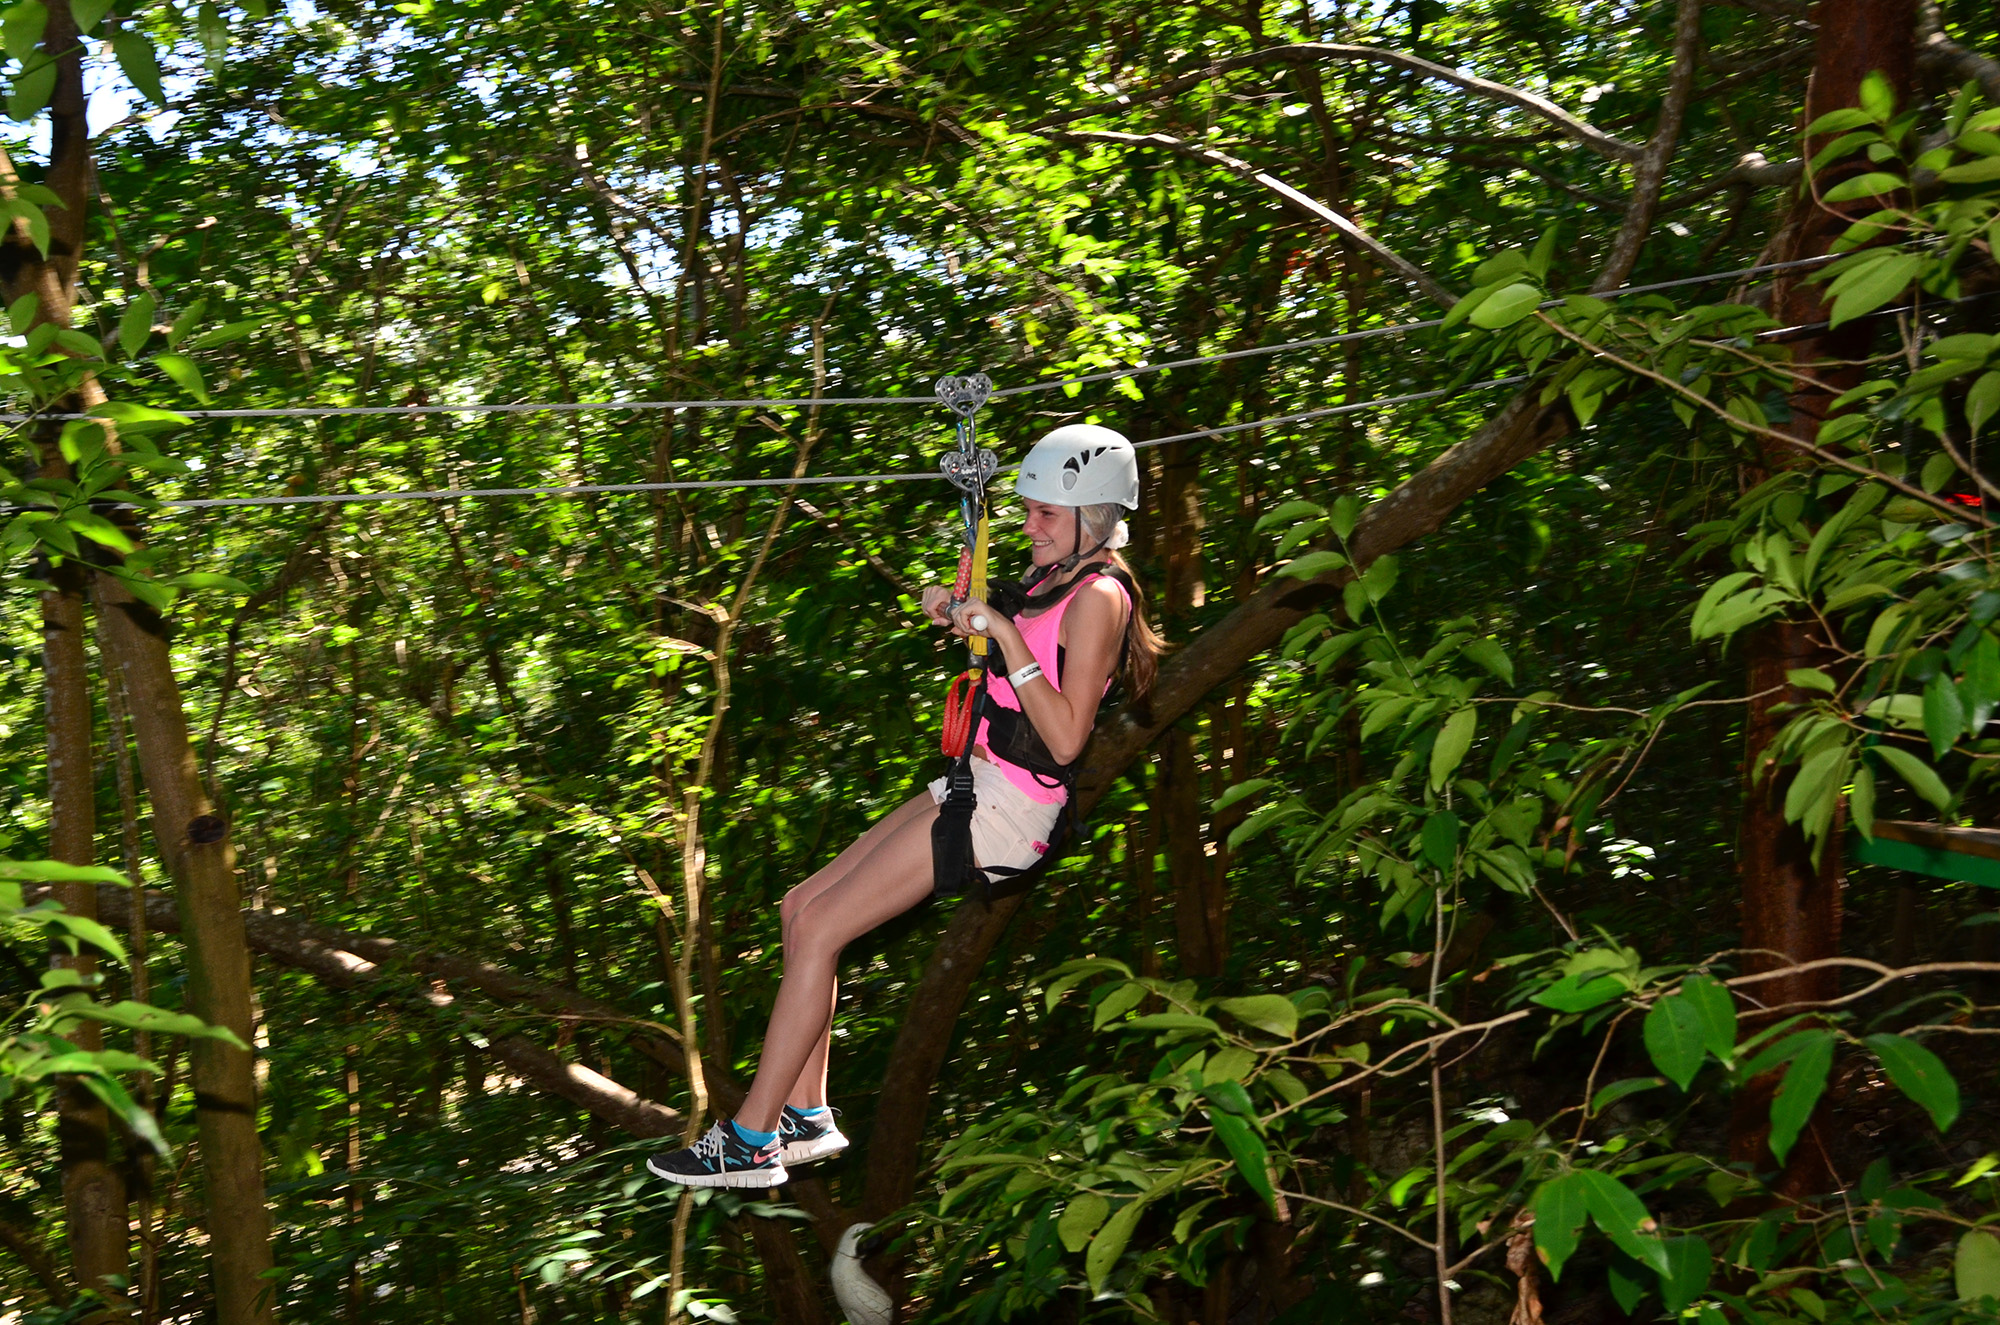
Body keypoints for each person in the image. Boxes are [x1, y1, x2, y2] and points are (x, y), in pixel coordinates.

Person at [646, 424, 1163, 1189]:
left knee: (823, 927)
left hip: (1012, 809)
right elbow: (1001, 645)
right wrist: (957, 612)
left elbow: (1062, 738)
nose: (1029, 525)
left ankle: (751, 1139)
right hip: (975, 781)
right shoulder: (1053, 576)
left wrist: (1007, 638)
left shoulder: (1101, 598)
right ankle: (806, 1116)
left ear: (1093, 515)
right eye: (1027, 510)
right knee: (800, 908)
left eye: (1045, 513)